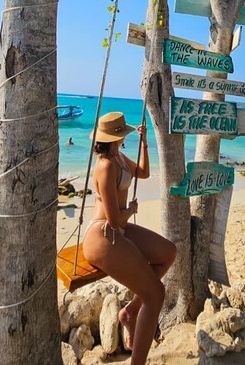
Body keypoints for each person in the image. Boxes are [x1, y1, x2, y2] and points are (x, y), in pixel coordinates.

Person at [82, 112, 176, 365]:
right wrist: (132, 210)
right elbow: (113, 220)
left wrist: (144, 143)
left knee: (168, 252)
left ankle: (129, 312)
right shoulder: (105, 166)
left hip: (117, 229)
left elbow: (143, 172)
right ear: (117, 136)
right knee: (155, 294)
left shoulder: (118, 158)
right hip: (102, 235)